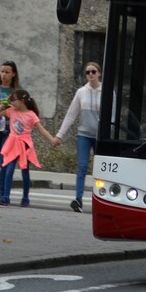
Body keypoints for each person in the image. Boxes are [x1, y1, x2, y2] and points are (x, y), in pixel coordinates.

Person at [0, 89, 60, 207]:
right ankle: (5, 197)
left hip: (24, 144)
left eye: (13, 99)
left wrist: (52, 140)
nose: (12, 101)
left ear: (22, 100)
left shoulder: (31, 115)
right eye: (11, 99)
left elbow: (41, 130)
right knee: (9, 170)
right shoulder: (11, 111)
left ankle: (25, 197)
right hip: (12, 143)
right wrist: (3, 104)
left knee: (25, 172)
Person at [56, 62, 103, 212]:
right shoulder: (81, 92)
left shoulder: (107, 92)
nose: (90, 74)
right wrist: (59, 135)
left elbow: (113, 115)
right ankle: (78, 199)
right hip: (84, 135)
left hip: (100, 137)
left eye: (93, 71)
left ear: (99, 73)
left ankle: (103, 200)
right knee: (82, 167)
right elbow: (71, 115)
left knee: (101, 170)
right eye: (87, 72)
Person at [0, 61, 24, 199]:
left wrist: (9, 105)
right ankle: (3, 184)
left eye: (7, 72)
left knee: (4, 162)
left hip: (9, 130)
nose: (3, 75)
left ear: (13, 74)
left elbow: (21, 109)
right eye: (2, 71)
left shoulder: (17, 91)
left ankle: (2, 192)